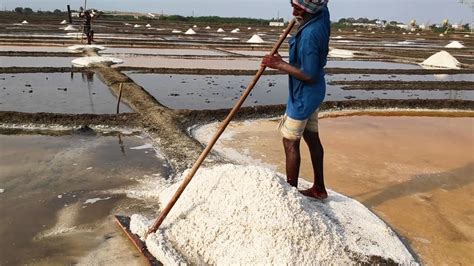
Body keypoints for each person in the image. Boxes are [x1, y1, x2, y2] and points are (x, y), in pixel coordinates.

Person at [261, 0, 330, 200]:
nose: (293, 12)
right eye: (293, 5)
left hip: (304, 96)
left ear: (310, 9)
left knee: (290, 141)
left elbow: (308, 74)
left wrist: (279, 64)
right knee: (311, 136)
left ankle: (290, 196)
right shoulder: (322, 14)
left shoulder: (310, 35)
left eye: (298, 8)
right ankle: (319, 188)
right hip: (315, 92)